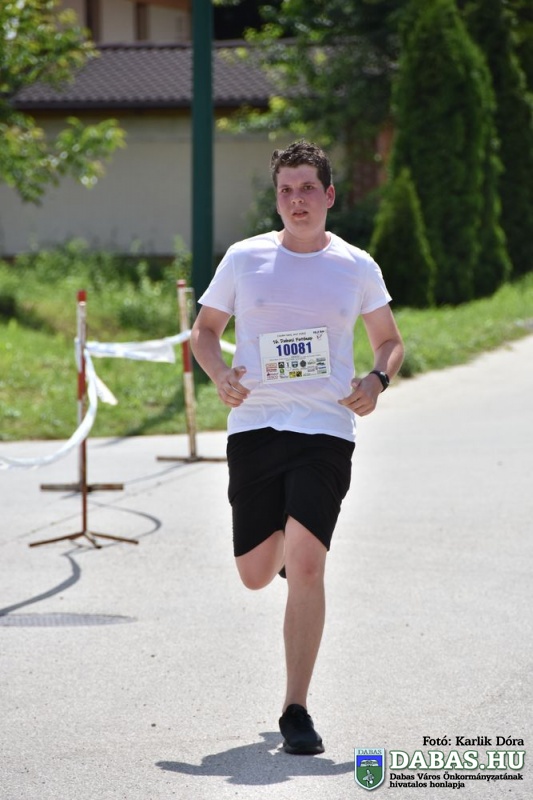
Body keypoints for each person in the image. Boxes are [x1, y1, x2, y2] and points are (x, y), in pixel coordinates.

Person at [190, 140, 404, 755]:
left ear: (329, 194)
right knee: (256, 574)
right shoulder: (244, 258)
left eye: (308, 188)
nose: (297, 200)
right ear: (276, 198)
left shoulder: (356, 266)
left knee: (308, 566)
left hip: (325, 430)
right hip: (256, 426)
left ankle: (296, 709)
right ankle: (283, 543)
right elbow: (205, 332)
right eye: (286, 190)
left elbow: (389, 341)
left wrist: (376, 380)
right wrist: (219, 375)